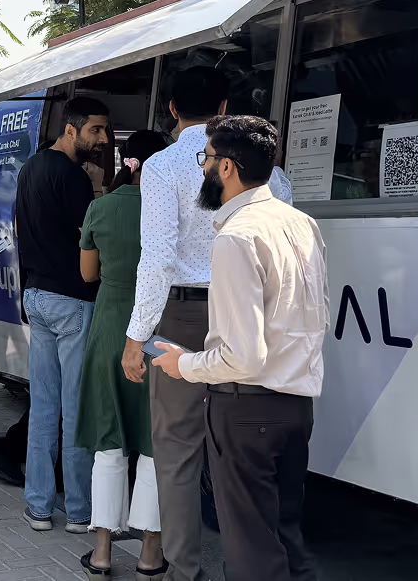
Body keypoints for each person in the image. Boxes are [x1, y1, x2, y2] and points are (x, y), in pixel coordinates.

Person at [125, 66, 293, 581]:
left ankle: (184, 570)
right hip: (247, 314)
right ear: (224, 108)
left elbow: (156, 259)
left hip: (180, 315)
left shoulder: (161, 166)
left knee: (177, 447)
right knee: (243, 444)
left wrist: (136, 336)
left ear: (172, 109)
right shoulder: (268, 171)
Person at [150, 116, 327, 581]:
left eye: (206, 158)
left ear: (227, 167)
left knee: (252, 554)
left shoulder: (236, 236)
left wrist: (184, 364)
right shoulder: (302, 224)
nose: (203, 167)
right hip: (297, 404)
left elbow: (242, 356)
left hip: (247, 407)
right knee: (286, 544)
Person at [75, 130, 171, 578]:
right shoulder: (170, 207)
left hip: (111, 327)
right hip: (158, 331)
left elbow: (87, 274)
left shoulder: (101, 207)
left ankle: (101, 551)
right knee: (155, 440)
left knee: (109, 439)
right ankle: (150, 553)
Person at [14, 96, 110, 534]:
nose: (102, 139)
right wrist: (98, 192)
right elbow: (91, 239)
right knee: (74, 409)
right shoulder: (74, 178)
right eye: (95, 130)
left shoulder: (30, 168)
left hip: (37, 295)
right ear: (70, 130)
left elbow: (21, 230)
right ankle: (78, 511)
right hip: (72, 298)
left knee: (43, 407)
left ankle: (38, 506)